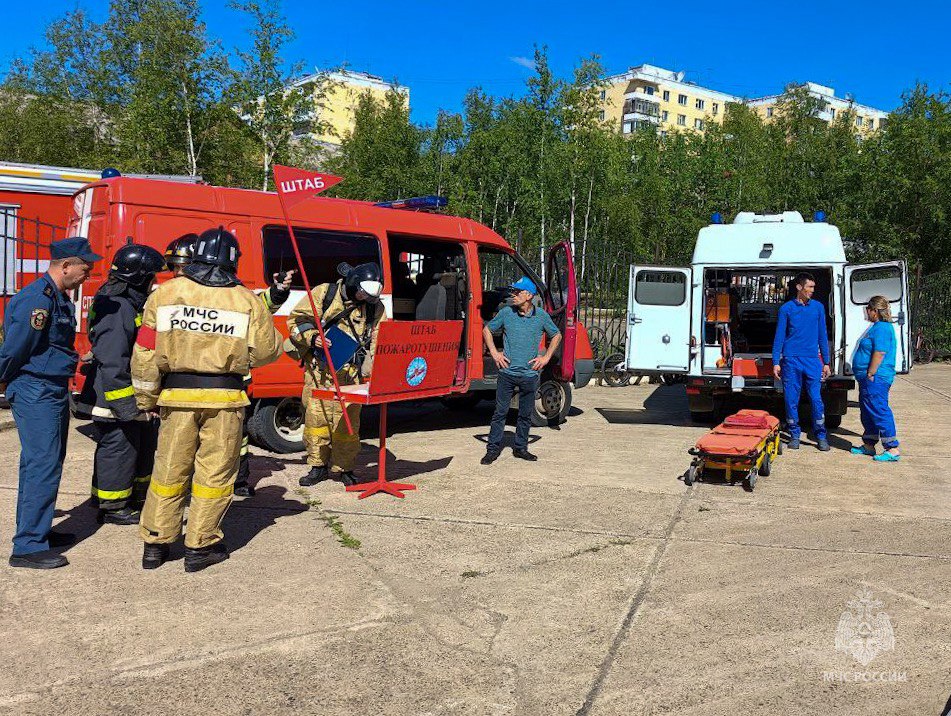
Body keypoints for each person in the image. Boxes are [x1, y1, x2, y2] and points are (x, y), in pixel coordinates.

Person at [132, 228, 282, 572]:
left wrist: (146, 398)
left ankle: (155, 544)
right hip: (225, 400)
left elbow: (145, 352)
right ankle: (200, 547)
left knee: (169, 470)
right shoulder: (246, 300)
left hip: (176, 397)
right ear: (233, 261)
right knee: (214, 476)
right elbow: (267, 351)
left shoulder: (164, 294)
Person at [162, 233, 294, 498]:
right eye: (174, 266)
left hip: (229, 383)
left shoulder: (228, 290)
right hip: (182, 384)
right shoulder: (170, 295)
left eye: (182, 266)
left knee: (235, 440)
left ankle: (239, 478)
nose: (178, 272)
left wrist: (278, 292)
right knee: (182, 448)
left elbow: (256, 305)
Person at [0, 238, 102, 568]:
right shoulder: (37, 301)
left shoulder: (56, 297)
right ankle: (28, 546)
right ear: (66, 266)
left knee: (48, 462)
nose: (87, 275)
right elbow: (16, 349)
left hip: (51, 386)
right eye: (85, 269)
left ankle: (39, 531)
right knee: (41, 464)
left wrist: (76, 357)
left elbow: (49, 346)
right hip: (35, 389)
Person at [77, 243, 166, 525]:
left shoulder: (120, 300)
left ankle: (117, 498)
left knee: (131, 448)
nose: (153, 282)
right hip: (114, 396)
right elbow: (115, 361)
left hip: (123, 393)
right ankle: (113, 507)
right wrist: (126, 406)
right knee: (119, 448)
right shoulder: (119, 308)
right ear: (138, 278)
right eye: (150, 277)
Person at [287, 262, 385, 487]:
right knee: (316, 420)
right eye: (361, 293)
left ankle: (345, 468)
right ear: (354, 283)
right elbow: (296, 321)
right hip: (319, 372)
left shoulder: (374, 306)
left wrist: (378, 369)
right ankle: (317, 467)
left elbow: (380, 338)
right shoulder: (325, 294)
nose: (364, 298)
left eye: (369, 296)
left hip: (351, 375)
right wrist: (313, 338)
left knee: (348, 424)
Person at [481, 277, 562, 464]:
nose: (513, 295)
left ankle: (521, 448)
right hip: (507, 374)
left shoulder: (541, 316)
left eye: (517, 292)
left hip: (529, 375)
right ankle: (492, 450)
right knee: (500, 413)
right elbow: (487, 330)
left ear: (529, 295)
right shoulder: (506, 313)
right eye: (513, 292)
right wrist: (495, 353)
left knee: (525, 415)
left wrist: (546, 358)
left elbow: (556, 335)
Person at [772, 272, 831, 451]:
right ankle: (794, 434)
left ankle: (821, 435)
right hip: (791, 361)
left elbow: (822, 335)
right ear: (799, 287)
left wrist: (826, 362)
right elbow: (779, 337)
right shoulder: (786, 309)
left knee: (815, 399)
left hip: (812, 360)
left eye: (813, 287)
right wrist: (776, 361)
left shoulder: (818, 308)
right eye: (810, 287)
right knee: (791, 399)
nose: (813, 290)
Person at [850, 295, 900, 462]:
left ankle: (892, 448)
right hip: (868, 378)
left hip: (876, 378)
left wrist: (871, 372)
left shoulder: (882, 328)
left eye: (868, 309)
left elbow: (880, 352)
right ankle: (869, 444)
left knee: (878, 409)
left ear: (874, 311)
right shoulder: (875, 327)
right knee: (868, 411)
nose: (866, 312)